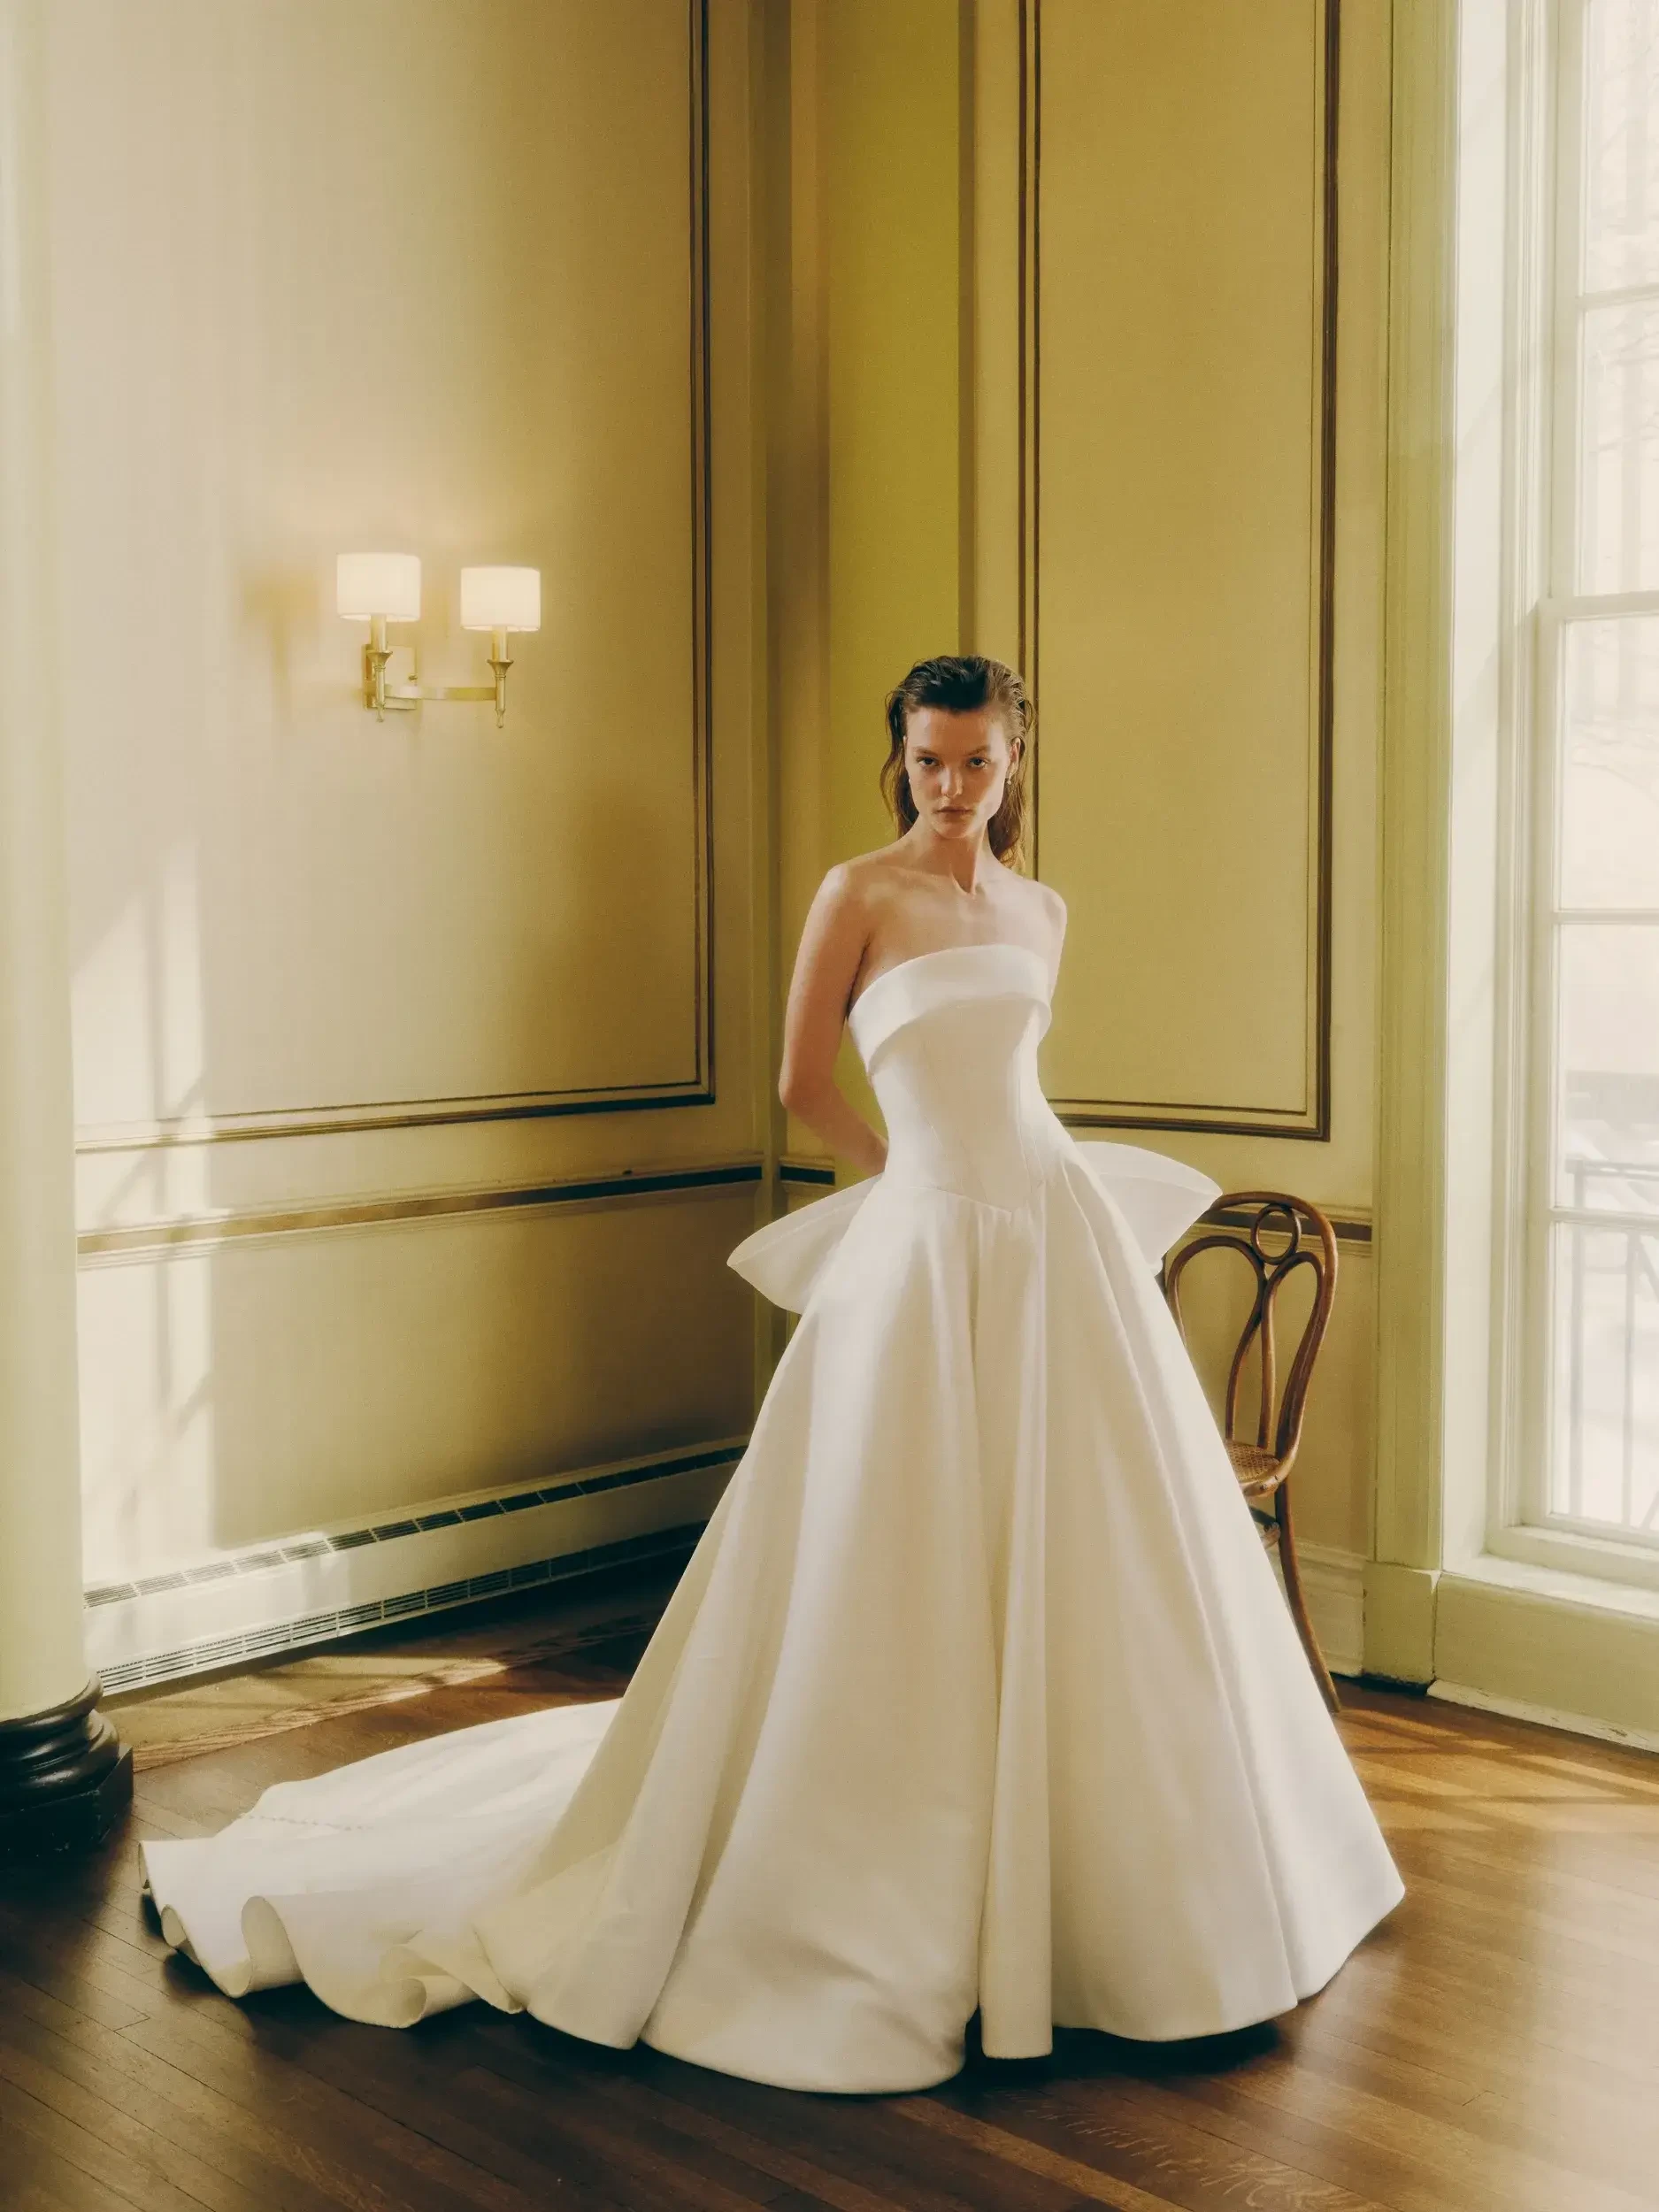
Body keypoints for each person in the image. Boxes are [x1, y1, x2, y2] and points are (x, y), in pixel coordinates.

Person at [142, 653, 1403, 2096]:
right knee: (894, 1541)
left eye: (976, 761)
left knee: (1099, 1546)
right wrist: (905, 1178)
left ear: (1014, 761)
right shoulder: (856, 892)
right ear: (900, 757)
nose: (950, 786)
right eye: (927, 760)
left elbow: (1014, 1079)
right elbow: (805, 1083)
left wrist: (980, 1176)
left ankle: (1135, 1904)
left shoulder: (1043, 911)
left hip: (1051, 1234)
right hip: (926, 1236)